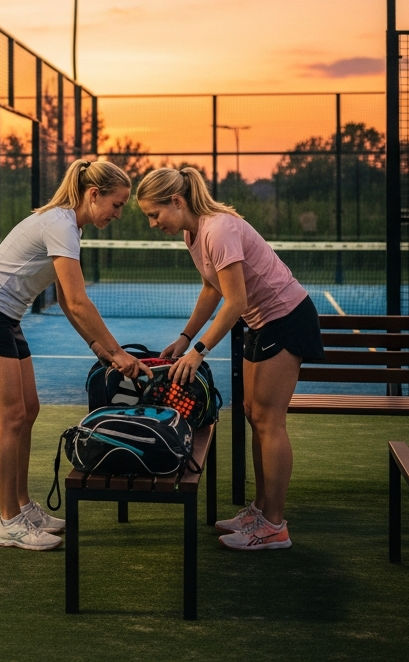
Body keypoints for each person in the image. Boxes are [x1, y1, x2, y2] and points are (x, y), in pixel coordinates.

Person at [0, 159, 151, 550]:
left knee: (28, 410)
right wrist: (117, 352)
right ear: (94, 195)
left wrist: (100, 349)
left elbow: (62, 296)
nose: (118, 213)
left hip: (5, 317)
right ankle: (8, 520)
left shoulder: (68, 225)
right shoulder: (60, 224)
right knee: (8, 416)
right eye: (117, 203)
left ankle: (23, 506)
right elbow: (77, 302)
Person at [136, 166, 325, 551]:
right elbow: (212, 289)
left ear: (176, 201)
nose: (153, 223)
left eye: (154, 214)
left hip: (286, 318)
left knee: (270, 422)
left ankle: (275, 525)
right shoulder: (193, 234)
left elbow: (234, 300)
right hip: (262, 323)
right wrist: (185, 337)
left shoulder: (218, 229)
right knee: (255, 414)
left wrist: (199, 350)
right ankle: (261, 509)